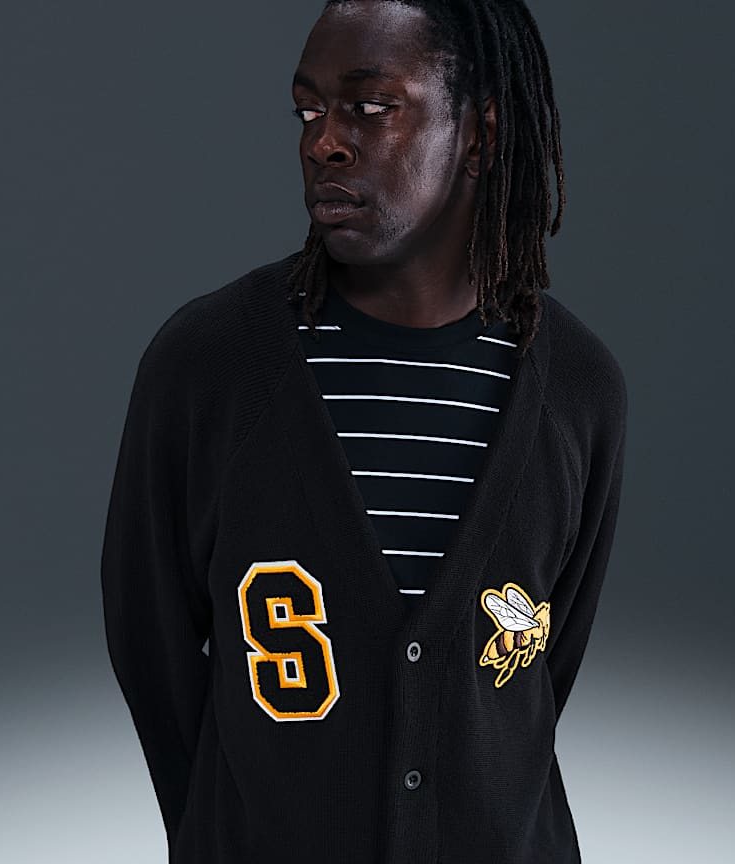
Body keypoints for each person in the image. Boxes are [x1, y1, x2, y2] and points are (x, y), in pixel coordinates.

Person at [100, 1, 628, 862]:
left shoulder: (577, 385)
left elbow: (538, 665)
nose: (323, 143)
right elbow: (148, 637)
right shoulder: (209, 363)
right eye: (308, 111)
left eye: (369, 107)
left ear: (481, 135)